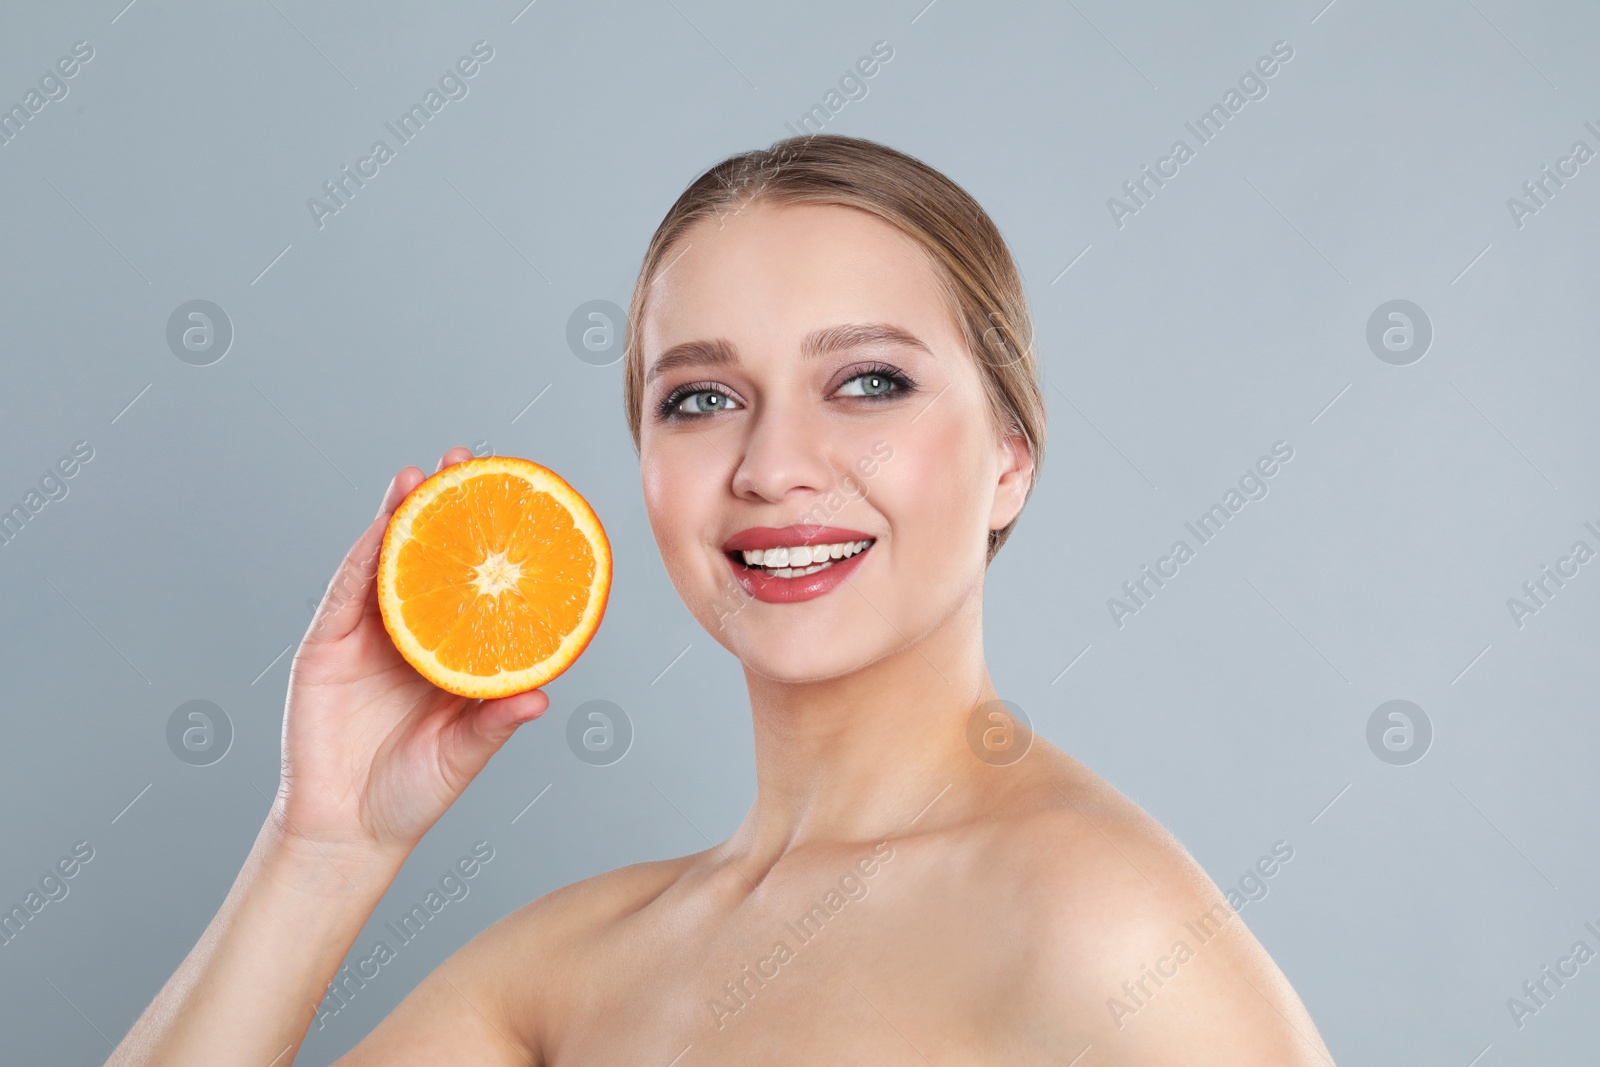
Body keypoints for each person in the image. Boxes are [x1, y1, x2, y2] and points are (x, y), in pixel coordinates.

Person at [107, 134, 1335, 1065]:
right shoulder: (577, 962)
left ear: (1010, 454)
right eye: (700, 397)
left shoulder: (1093, 920)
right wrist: (323, 845)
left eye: (867, 380)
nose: (772, 464)